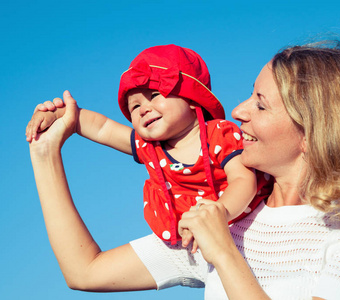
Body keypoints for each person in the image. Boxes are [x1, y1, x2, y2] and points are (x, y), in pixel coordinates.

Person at [27, 41, 340, 299]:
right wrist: (45, 155)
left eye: (260, 105)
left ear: (315, 133)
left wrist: (225, 254)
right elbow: (86, 271)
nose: (239, 110)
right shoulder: (227, 217)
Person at [26, 44, 273, 249]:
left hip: (239, 219)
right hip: (188, 233)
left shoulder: (218, 133)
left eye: (154, 96)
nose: (143, 108)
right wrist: (62, 114)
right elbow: (102, 128)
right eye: (134, 106)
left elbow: (243, 180)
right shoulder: (149, 147)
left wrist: (219, 213)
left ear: (191, 99)